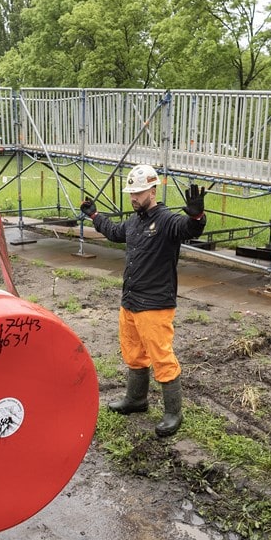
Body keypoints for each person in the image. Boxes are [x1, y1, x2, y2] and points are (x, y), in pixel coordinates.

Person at [80, 164, 206, 438]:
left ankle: (174, 412)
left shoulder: (166, 221)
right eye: (131, 193)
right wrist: (95, 215)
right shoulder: (136, 221)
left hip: (155, 303)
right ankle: (136, 400)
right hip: (131, 300)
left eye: (138, 193)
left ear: (153, 189)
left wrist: (197, 217)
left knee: (161, 356)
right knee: (134, 353)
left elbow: (188, 229)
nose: (134, 198)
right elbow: (115, 233)